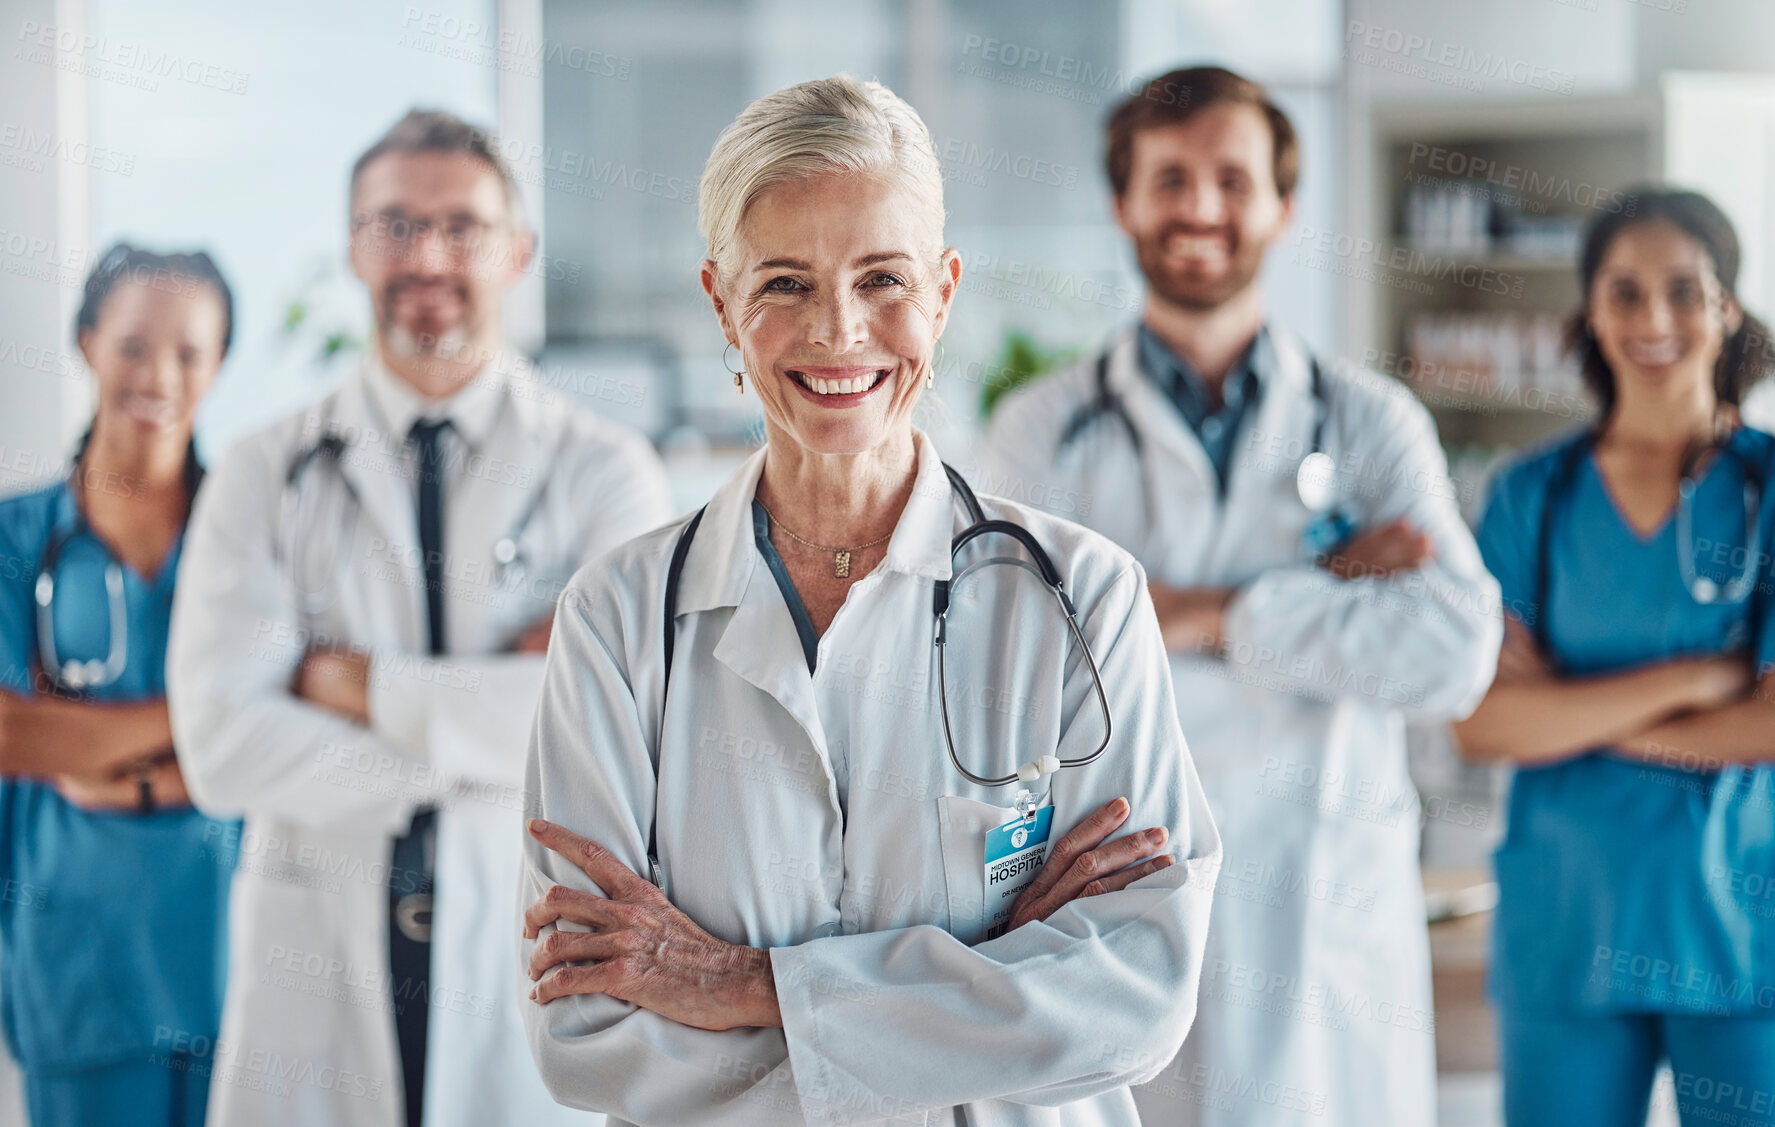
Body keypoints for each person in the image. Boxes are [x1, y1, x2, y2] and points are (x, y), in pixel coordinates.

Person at [516, 74, 1219, 1126]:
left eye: (881, 279)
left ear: (942, 291)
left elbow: (1133, 997)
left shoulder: (1080, 599)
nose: (838, 332)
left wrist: (736, 981)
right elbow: (591, 1037)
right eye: (785, 283)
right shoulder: (619, 621)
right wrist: (989, 973)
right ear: (719, 300)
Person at [980, 66, 1503, 1125]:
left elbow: (1453, 650)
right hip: (1121, 886)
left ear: (1282, 204)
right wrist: (1325, 587)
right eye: (1168, 178)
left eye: (1232, 177)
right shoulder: (1041, 427)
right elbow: (1006, 656)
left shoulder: (1366, 420)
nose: (1201, 207)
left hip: (1319, 892)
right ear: (1122, 203)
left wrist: (1205, 612)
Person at [167, 110, 673, 1127]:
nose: (426, 254)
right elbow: (222, 747)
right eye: (393, 225)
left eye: (461, 226)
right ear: (353, 245)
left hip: (521, 945)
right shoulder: (266, 472)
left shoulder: (604, 471)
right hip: (316, 953)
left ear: (518, 252)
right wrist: (489, 744)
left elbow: (631, 733)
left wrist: (361, 687)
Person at [1455, 188, 1775, 1127]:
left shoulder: (1768, 487)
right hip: (1567, 930)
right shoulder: (1530, 496)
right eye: (1623, 292)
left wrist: (1568, 714)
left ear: (1725, 307)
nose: (1653, 318)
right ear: (1590, 312)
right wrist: (1690, 681)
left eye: (1682, 290)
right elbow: (1479, 724)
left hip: (1739, 928)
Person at [0, 243, 238, 1126]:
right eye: (135, 344)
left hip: (237, 970)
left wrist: (109, 757)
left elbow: (295, 726)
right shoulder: (16, 538)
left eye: (188, 352)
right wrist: (208, 717)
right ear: (88, 340)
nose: (159, 374)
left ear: (219, 366)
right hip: (77, 972)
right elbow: (8, 736)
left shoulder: (249, 538)